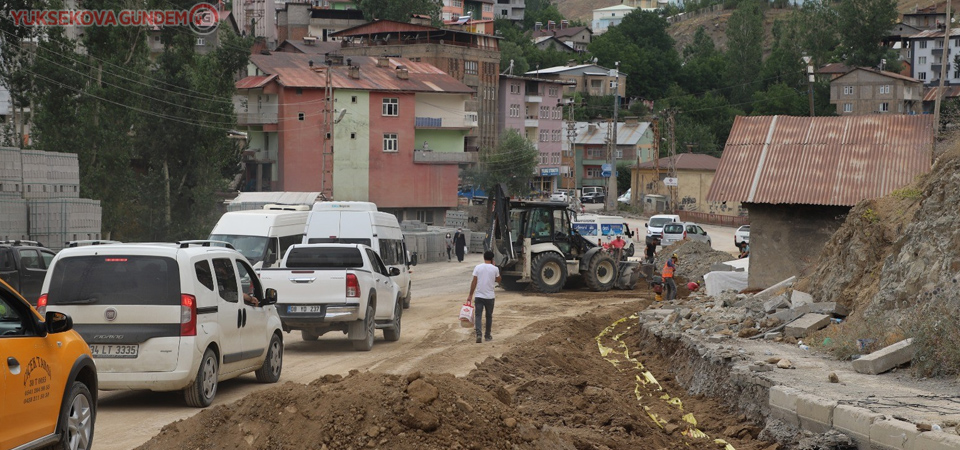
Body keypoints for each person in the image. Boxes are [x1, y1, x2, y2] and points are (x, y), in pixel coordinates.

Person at [467, 250, 501, 343]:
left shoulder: (478, 267)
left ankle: (478, 334)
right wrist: (494, 267)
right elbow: (499, 280)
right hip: (490, 297)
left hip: (479, 296)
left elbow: (474, 282)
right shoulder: (495, 269)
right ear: (492, 259)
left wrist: (470, 295)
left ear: (484, 258)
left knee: (478, 315)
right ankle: (487, 335)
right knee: (489, 316)